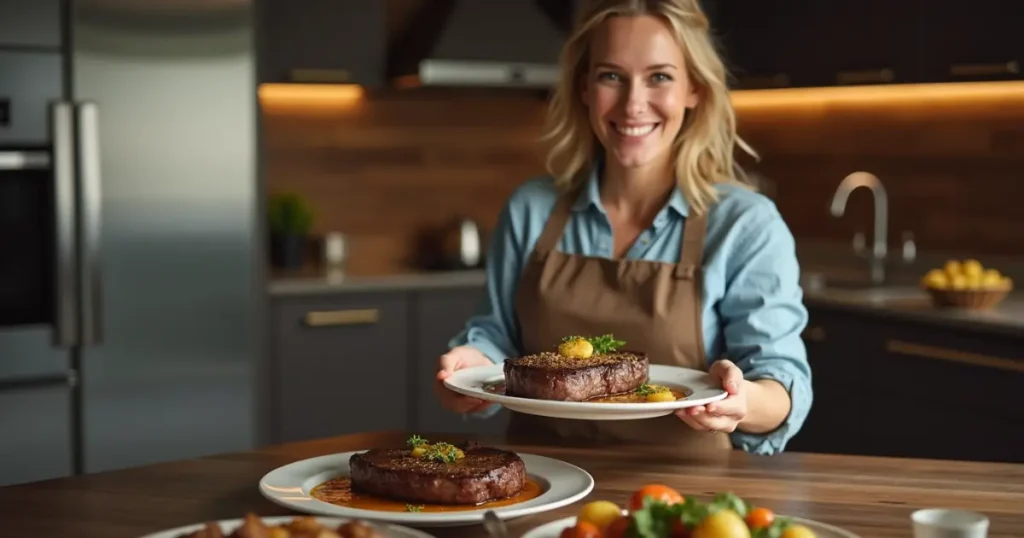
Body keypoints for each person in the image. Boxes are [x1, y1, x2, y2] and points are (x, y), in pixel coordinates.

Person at [434, 0, 812, 455]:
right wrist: (470, 365)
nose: (634, 104)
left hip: (682, 500)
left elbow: (780, 384)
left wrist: (741, 398)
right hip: (537, 484)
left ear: (694, 88)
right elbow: (498, 337)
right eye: (611, 75)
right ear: (585, 88)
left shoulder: (745, 225)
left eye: (660, 77)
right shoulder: (531, 208)